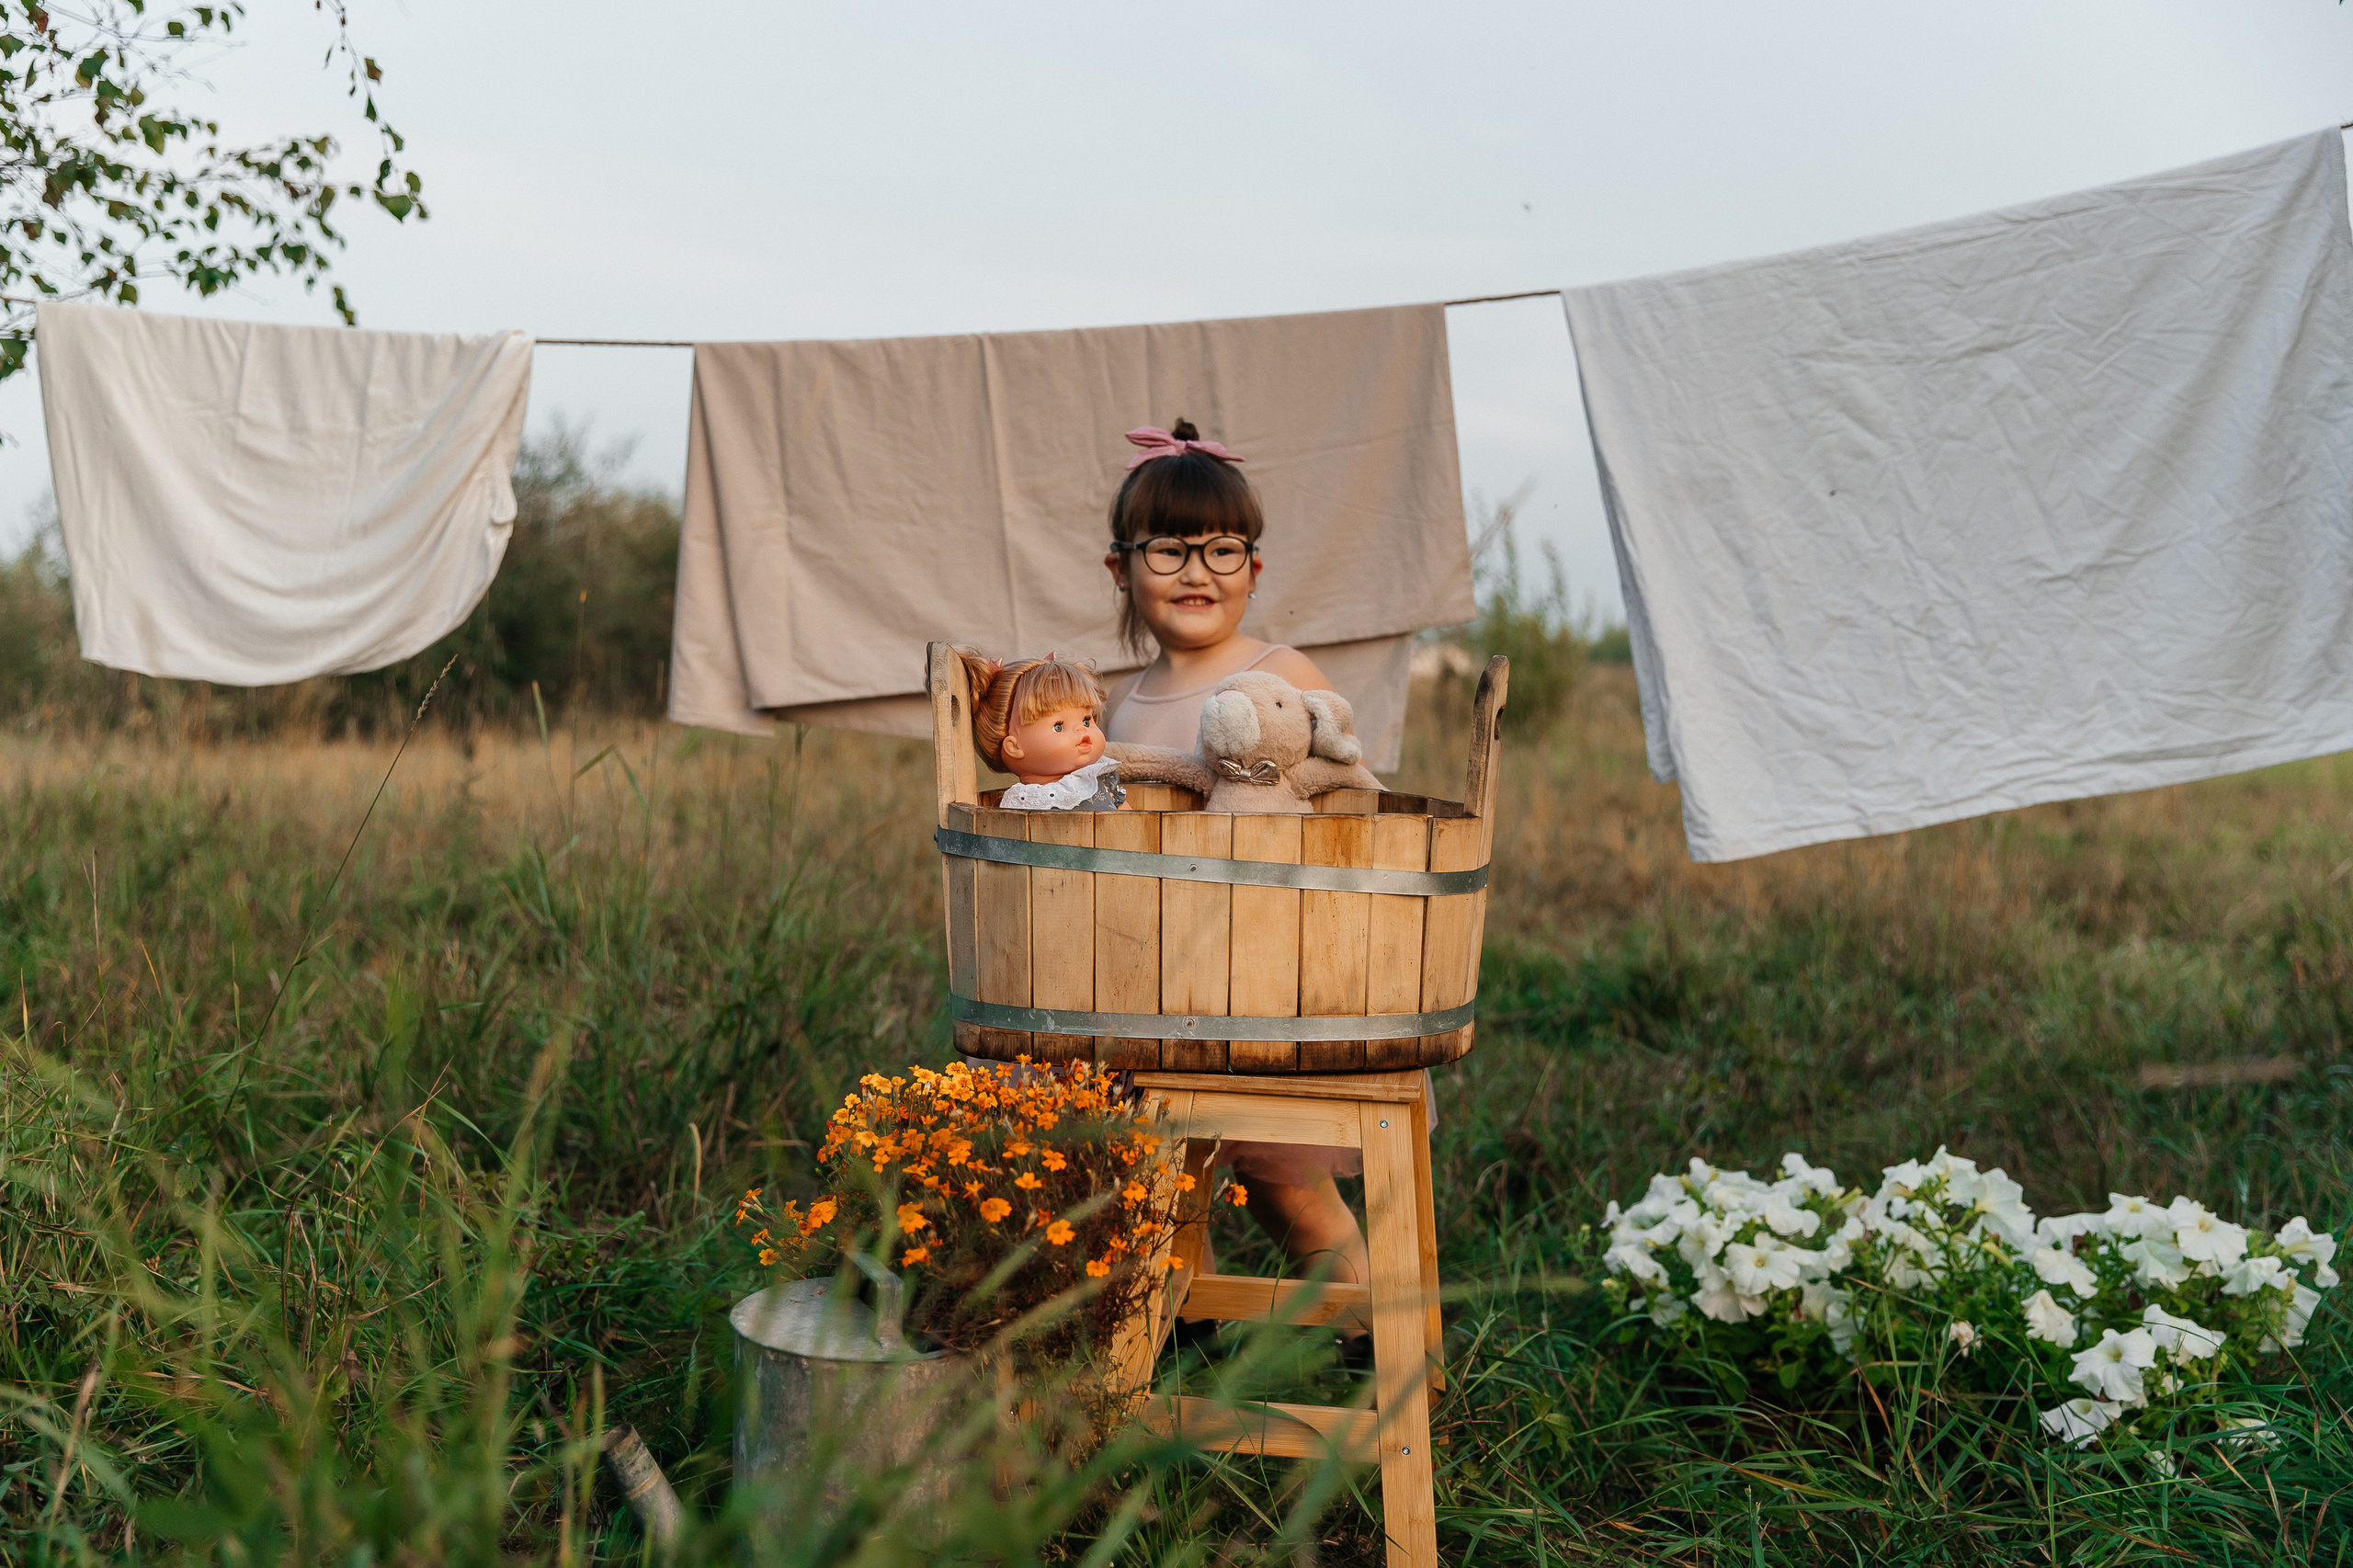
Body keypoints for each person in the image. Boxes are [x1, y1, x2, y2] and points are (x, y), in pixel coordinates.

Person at [1099, 419, 1373, 1350]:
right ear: (1120, 568)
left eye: (1221, 549)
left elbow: (1355, 803)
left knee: (1286, 1183)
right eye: (1168, 549)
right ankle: (1188, 1338)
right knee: (1156, 1181)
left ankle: (1374, 1339)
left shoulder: (1279, 674)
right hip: (1147, 983)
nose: (1196, 571)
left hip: (1261, 983)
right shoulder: (1120, 700)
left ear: (1253, 568)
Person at [952, 650, 1126, 811]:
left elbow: (1130, 822)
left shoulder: (1099, 780)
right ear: (1014, 746)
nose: (1081, 729)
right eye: (1058, 726)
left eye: (1086, 721)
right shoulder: (1027, 801)